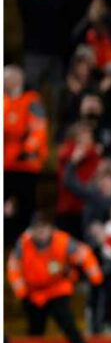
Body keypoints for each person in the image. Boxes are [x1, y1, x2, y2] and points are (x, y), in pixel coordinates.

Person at [6, 213, 103, 343]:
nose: (41, 233)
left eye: (44, 228)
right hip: (34, 293)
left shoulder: (63, 241)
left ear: (50, 229)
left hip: (57, 288)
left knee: (67, 320)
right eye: (37, 229)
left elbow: (84, 254)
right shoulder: (23, 244)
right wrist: (22, 292)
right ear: (32, 230)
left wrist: (95, 278)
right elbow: (13, 267)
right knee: (35, 328)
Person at [4, 64, 49, 246]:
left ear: (17, 80)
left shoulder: (32, 101)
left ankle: (23, 243)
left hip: (26, 165)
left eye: (6, 77)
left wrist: (28, 151)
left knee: (25, 205)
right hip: (6, 163)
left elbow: (38, 129)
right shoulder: (4, 101)